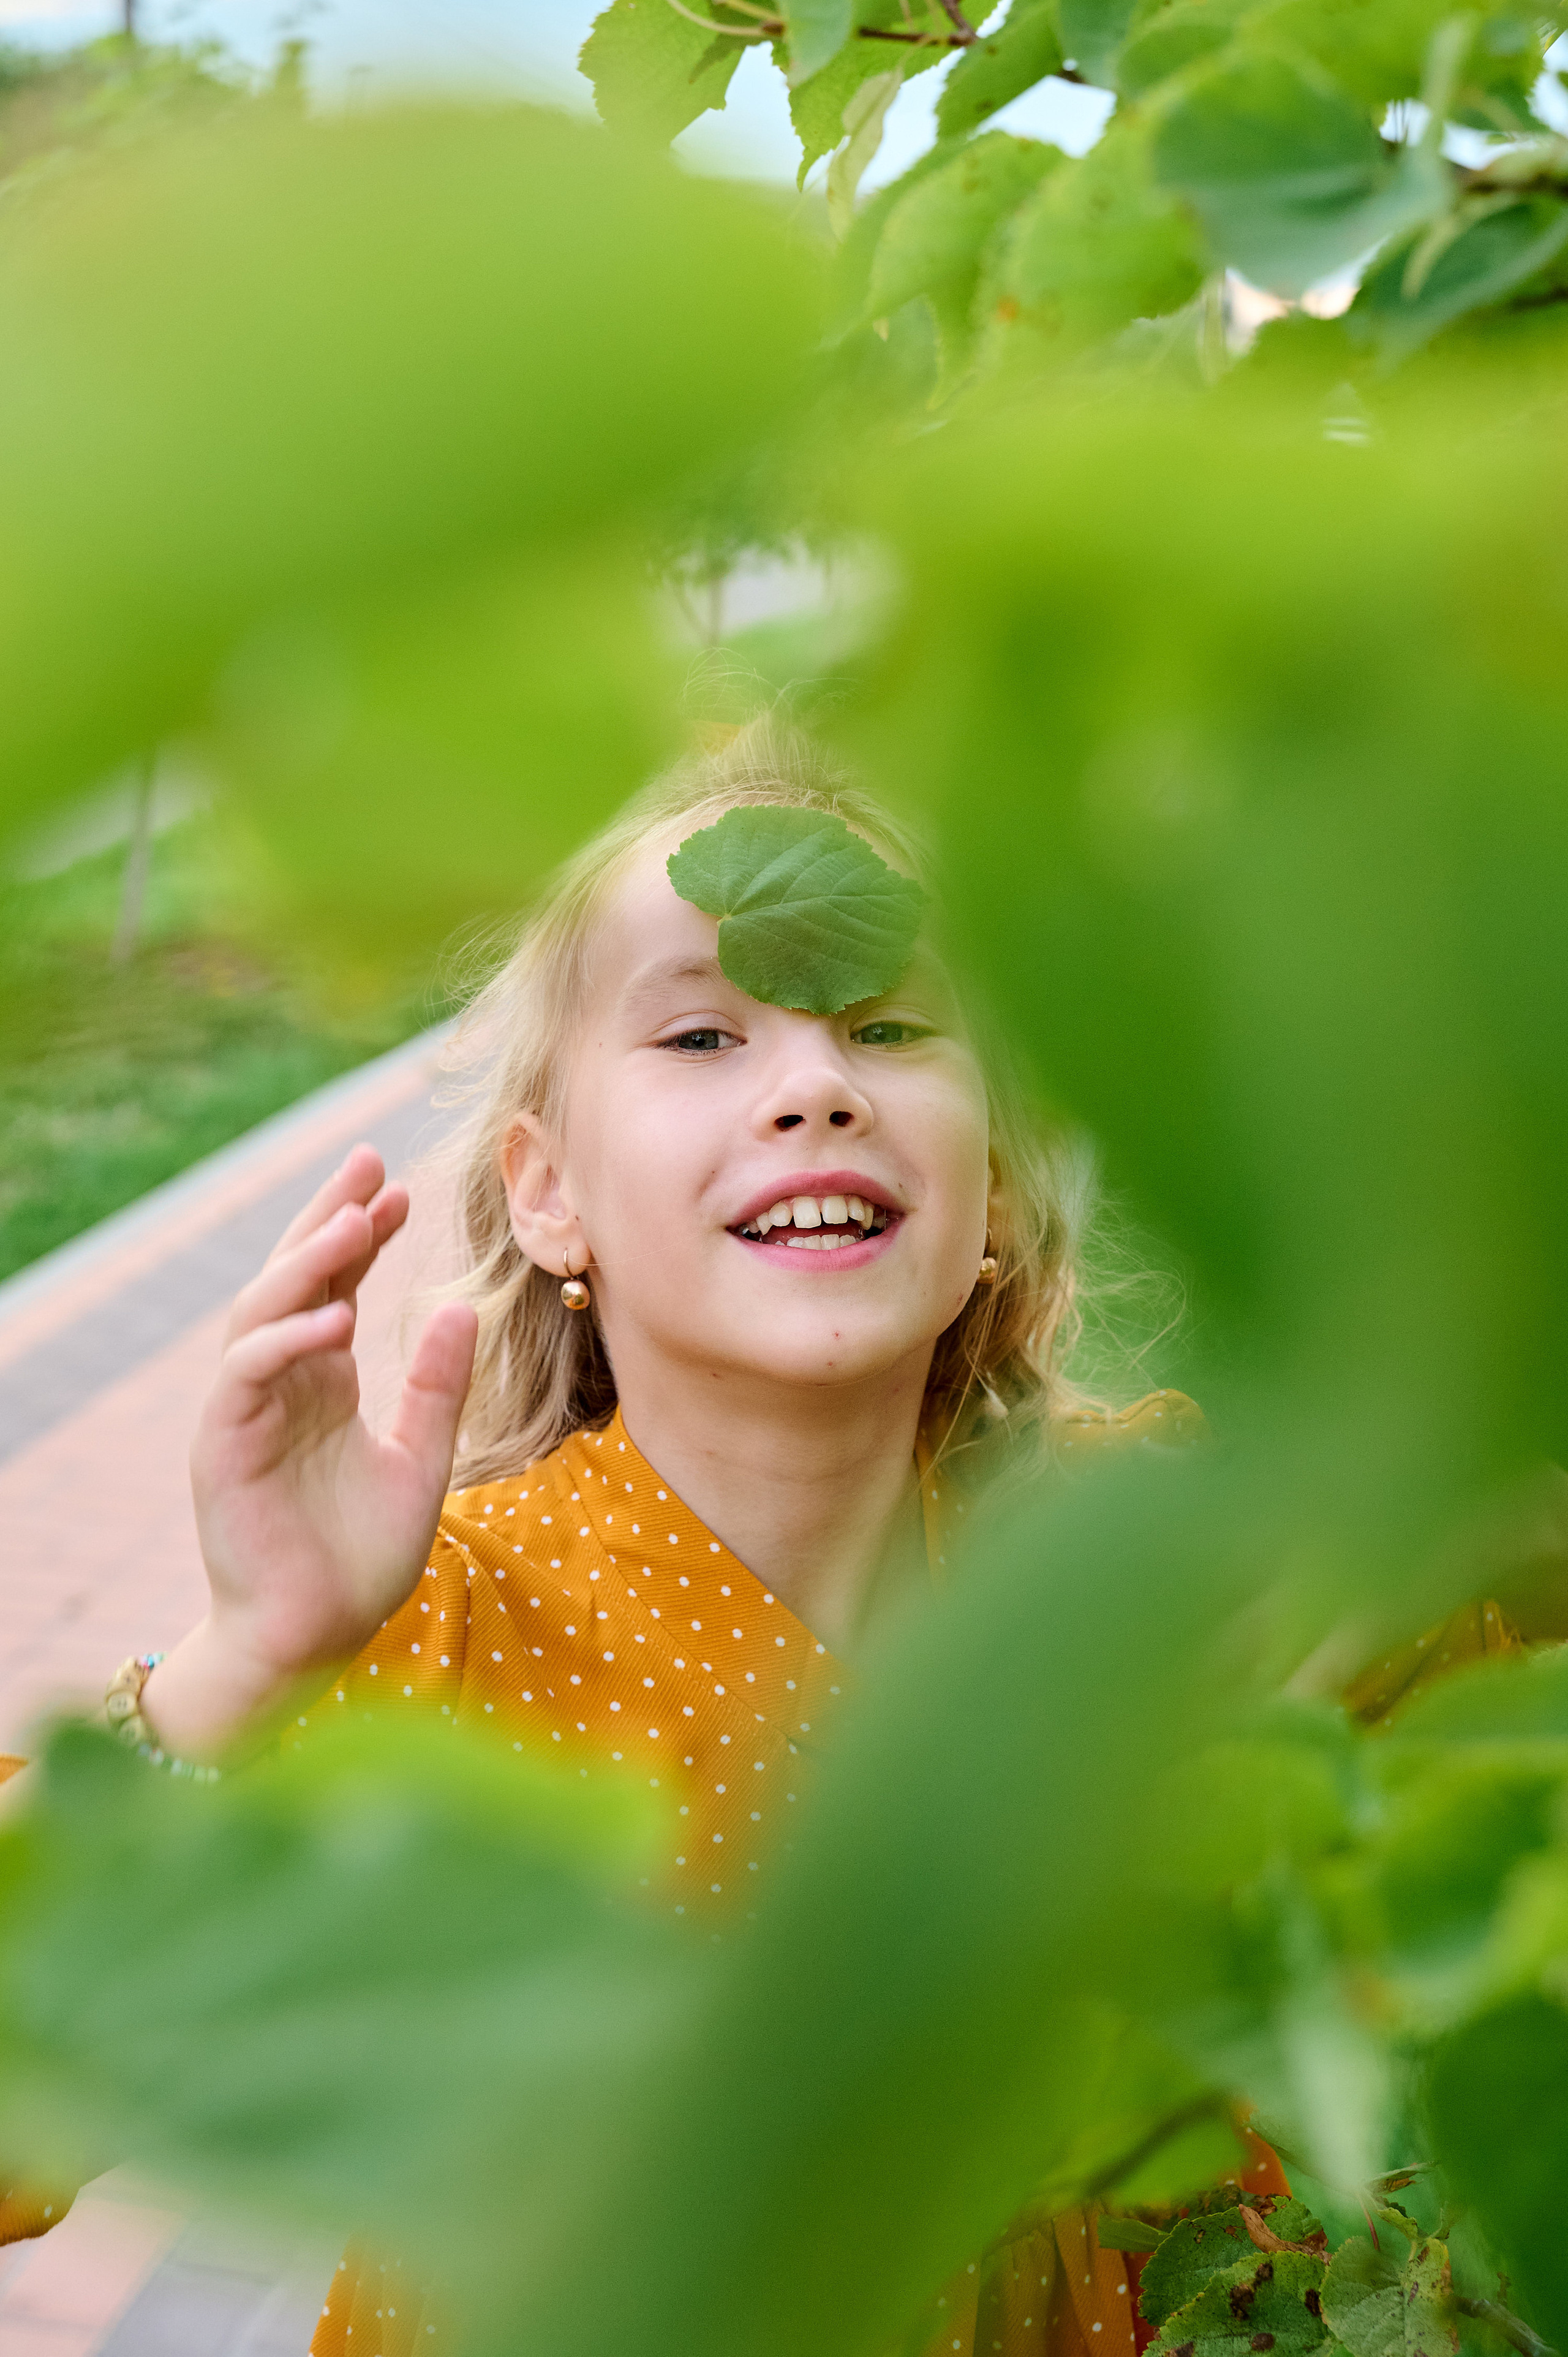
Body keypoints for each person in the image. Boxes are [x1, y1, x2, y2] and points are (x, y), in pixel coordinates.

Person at [7, 721, 1268, 2351]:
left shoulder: (1167, 1577)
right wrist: (247, 1659)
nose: (813, 1088)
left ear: (1006, 1188)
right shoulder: (439, 1634)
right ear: (551, 1195)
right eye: (701, 1037)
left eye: (887, 1026)